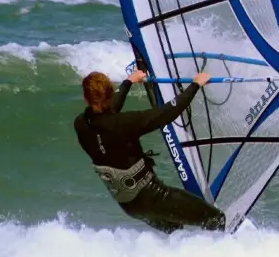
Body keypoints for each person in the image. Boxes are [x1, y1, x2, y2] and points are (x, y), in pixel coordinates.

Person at [74, 66, 226, 234]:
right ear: (109, 95)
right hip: (153, 197)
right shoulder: (125, 123)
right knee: (217, 219)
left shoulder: (81, 124)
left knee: (179, 235)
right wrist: (195, 85)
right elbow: (167, 112)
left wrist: (129, 82)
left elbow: (106, 112)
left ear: (85, 98)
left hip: (130, 206)